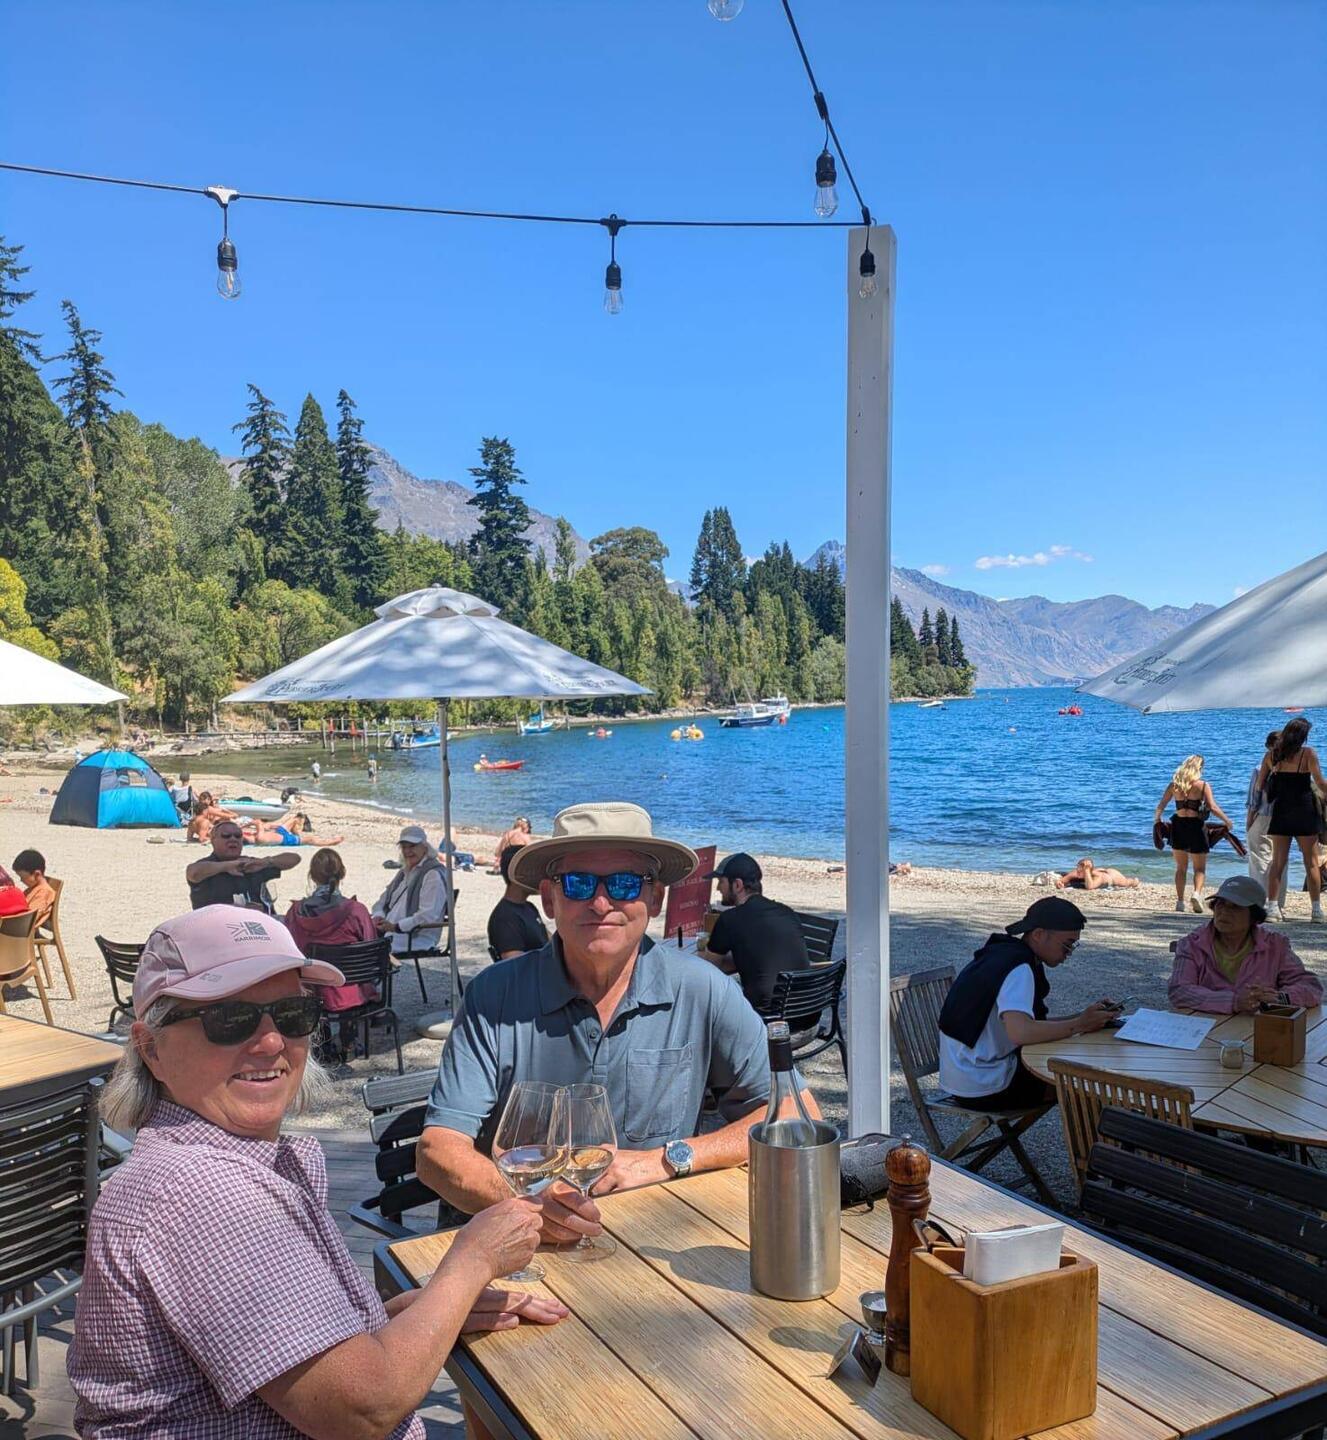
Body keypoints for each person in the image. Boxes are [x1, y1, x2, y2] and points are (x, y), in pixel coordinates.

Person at [68, 905, 563, 1438]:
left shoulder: (224, 1161)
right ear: (151, 1049)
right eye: (229, 1019)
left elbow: (288, 1350)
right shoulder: (201, 1191)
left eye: (292, 1015)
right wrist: (473, 1260)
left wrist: (428, 1312)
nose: (272, 1042)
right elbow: (361, 1411)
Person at [417, 802, 810, 1254]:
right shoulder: (493, 996)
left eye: (624, 883)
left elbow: (796, 1114)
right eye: (579, 883)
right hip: (515, 1246)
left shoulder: (703, 990)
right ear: (549, 899)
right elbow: (436, 1153)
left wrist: (666, 1159)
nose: (601, 902)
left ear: (655, 899)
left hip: (652, 1245)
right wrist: (531, 1207)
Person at [937, 896, 1117, 1109]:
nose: (1069, 953)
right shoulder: (1019, 968)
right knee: (1087, 1084)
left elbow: (1025, 1025)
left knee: (1080, 1074)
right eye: (1067, 945)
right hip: (987, 1085)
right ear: (1039, 934)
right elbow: (1021, 1032)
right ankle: (1097, 1142)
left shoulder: (1002, 953)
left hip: (961, 1077)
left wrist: (1082, 1017)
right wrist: (1079, 1025)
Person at [1168, 875, 1323, 1013]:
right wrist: (1233, 1002)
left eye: (1235, 907)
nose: (1224, 912)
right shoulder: (1192, 944)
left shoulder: (1274, 945)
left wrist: (1280, 998)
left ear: (1254, 917)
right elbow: (1179, 990)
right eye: (1220, 904)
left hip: (1257, 1030)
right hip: (1203, 1030)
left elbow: (1311, 987)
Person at [285, 847, 382, 1055]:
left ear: (312, 875)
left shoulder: (295, 912)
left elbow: (290, 948)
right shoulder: (356, 911)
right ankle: (348, 1039)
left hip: (311, 990)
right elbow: (371, 945)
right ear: (342, 874)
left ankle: (324, 1040)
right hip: (351, 990)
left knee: (314, 977)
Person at [698, 852, 811, 1012]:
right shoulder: (787, 912)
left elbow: (710, 968)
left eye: (720, 882)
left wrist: (697, 956)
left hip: (766, 1020)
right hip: (808, 1013)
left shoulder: (730, 919)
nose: (717, 888)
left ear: (737, 885)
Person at [1258, 717, 1325, 923]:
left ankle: (1272, 908)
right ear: (1303, 736)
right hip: (1304, 810)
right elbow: (1320, 782)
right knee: (1311, 862)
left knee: (1278, 862)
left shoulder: (1272, 755)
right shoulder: (1308, 754)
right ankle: (1316, 910)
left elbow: (1261, 785)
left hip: (1281, 811)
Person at [1154, 754, 1234, 914]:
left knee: (1181, 868)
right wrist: (1227, 821)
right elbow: (1212, 807)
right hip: (1196, 827)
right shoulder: (1203, 786)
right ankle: (1196, 894)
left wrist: (1157, 820)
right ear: (1199, 768)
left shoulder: (1174, 785)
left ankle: (1180, 902)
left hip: (1178, 826)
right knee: (1200, 868)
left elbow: (1161, 805)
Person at [186, 818, 301, 912]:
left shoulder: (251, 864)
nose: (233, 839)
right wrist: (226, 866)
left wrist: (266, 862)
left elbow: (294, 859)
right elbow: (193, 872)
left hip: (261, 925)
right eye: (226, 836)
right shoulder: (208, 866)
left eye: (237, 836)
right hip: (219, 928)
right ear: (213, 840)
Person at [372, 825, 450, 956]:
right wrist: (379, 916)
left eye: (412, 846)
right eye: (404, 847)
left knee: (360, 947)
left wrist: (396, 927)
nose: (408, 851)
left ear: (424, 847)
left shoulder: (432, 874)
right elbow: (381, 901)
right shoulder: (404, 872)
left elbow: (427, 916)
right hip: (389, 932)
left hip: (413, 938)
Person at [1246, 731, 1290, 912]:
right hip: (1287, 816)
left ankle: (1261, 900)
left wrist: (1249, 820)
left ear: (1268, 747)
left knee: (1259, 858)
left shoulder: (1259, 768)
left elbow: (1254, 797)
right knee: (1281, 860)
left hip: (1264, 815)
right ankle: (1278, 902)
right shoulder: (1295, 766)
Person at [486, 843, 549, 960]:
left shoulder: (529, 907)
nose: (537, 876)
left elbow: (551, 942)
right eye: (532, 870)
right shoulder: (505, 918)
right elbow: (515, 966)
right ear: (516, 875)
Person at [243, 809, 345, 848]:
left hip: (279, 832)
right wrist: (245, 825)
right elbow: (258, 822)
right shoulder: (260, 838)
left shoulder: (257, 837)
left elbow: (265, 825)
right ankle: (331, 842)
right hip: (285, 838)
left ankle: (298, 827)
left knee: (294, 819)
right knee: (311, 839)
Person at [12, 848, 56, 928]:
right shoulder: (33, 888)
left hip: (20, 933)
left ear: (37, 874)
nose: (21, 880)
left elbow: (29, 919)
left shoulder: (44, 893)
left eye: (23, 877)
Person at [1053, 857, 1140, 891]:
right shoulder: (1076, 873)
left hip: (1112, 876)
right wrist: (1059, 883)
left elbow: (1090, 887)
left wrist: (1086, 871)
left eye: (1081, 870)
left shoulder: (1098, 877)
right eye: (1078, 868)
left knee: (1127, 882)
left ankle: (1135, 880)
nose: (1078, 872)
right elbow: (1062, 880)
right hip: (1099, 871)